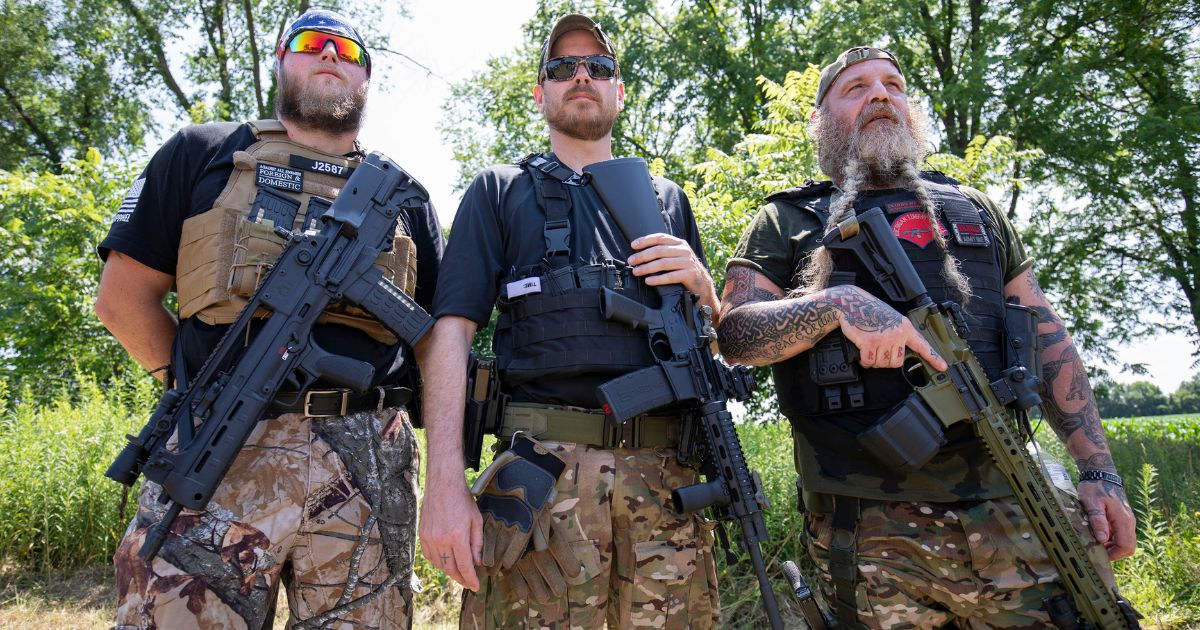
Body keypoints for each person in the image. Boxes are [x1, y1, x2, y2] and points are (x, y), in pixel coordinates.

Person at [717, 46, 1137, 628]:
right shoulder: (787, 220)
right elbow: (735, 336)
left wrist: (1099, 472)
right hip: (864, 532)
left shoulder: (977, 211)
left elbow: (1050, 338)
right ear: (820, 121)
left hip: (1018, 506)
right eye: (856, 87)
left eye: (893, 84)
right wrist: (833, 306)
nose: (881, 94)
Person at [94, 9, 444, 628]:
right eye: (311, 43)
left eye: (346, 49)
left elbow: (437, 339)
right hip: (220, 440)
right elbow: (122, 300)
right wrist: (187, 384)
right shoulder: (201, 152)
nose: (329, 55)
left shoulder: (404, 196)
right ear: (281, 60)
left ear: (365, 75)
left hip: (369, 455)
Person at [417, 14, 721, 629]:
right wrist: (443, 485)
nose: (581, 76)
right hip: (544, 489)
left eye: (599, 67)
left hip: (666, 489)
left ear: (619, 90)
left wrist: (705, 287)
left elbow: (712, 344)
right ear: (541, 92)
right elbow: (450, 336)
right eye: (562, 68)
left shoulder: (665, 202)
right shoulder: (500, 191)